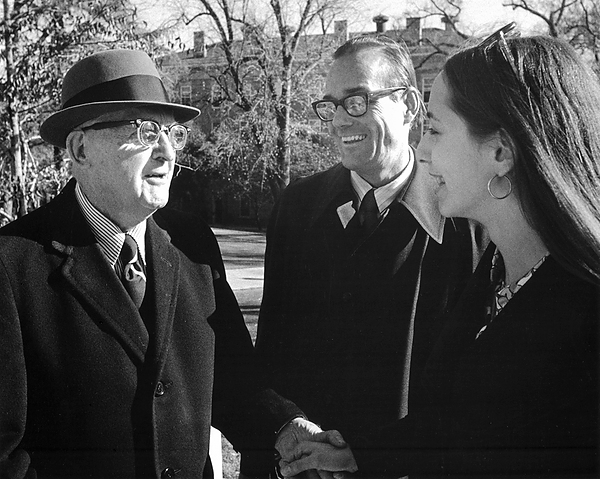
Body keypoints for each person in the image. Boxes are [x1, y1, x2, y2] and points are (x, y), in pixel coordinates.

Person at [0, 48, 342, 479]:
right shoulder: (13, 264)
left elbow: (232, 375)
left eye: (172, 132)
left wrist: (281, 426)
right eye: (144, 132)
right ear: (80, 147)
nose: (165, 151)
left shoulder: (191, 242)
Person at [279, 26, 600, 478]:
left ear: (501, 152)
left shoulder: (584, 311)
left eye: (433, 129)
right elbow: (455, 425)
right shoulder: (497, 272)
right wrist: (359, 455)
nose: (422, 151)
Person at [240, 35, 487, 477]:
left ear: (409, 105)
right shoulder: (297, 208)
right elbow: (271, 358)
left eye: (355, 101)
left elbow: (472, 394)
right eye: (330, 105)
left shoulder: (468, 222)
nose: (337, 120)